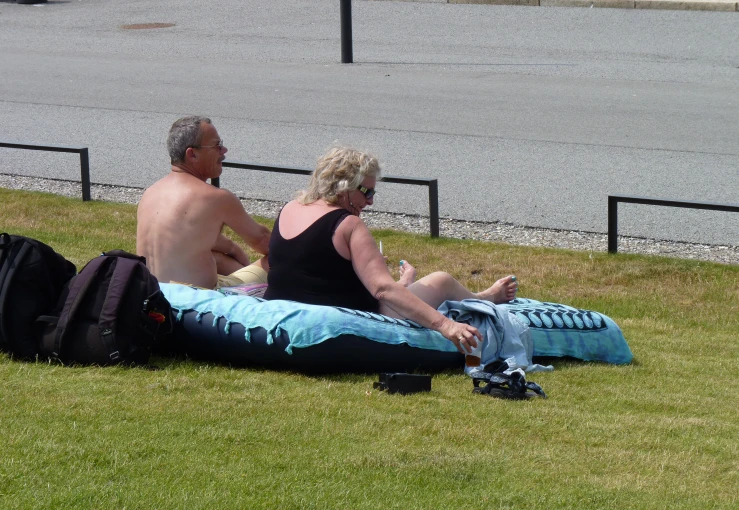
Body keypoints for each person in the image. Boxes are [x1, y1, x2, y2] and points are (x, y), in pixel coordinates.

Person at [263, 146, 519, 353]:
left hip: (283, 304)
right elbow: (382, 290)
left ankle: (407, 283)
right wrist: (446, 325)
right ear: (344, 186)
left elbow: (315, 266)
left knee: (399, 285)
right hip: (355, 311)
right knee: (441, 280)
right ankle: (487, 297)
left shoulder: (289, 208)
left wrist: (402, 283)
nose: (371, 201)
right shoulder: (348, 224)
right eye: (367, 192)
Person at [136, 116, 271, 290]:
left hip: (154, 296)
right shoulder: (216, 198)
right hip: (197, 303)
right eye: (217, 145)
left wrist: (235, 251)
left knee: (217, 257)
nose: (224, 150)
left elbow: (191, 238)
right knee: (276, 261)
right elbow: (266, 243)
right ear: (192, 154)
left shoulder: (150, 192)